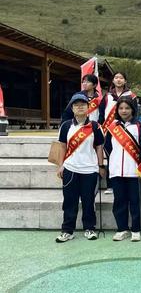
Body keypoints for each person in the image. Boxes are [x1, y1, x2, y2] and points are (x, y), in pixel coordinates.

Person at [55, 93, 105, 243]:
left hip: (89, 169)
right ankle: (67, 230)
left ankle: (90, 228)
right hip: (70, 168)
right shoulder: (65, 126)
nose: (80, 107)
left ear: (88, 107)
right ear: (72, 108)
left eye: (83, 104)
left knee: (88, 201)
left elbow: (99, 147)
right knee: (69, 201)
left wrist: (100, 165)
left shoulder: (95, 126)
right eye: (76, 105)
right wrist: (60, 165)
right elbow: (62, 146)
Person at [104, 96, 141, 242]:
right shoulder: (112, 127)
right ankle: (122, 228)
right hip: (116, 170)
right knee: (119, 201)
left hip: (133, 170)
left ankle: (136, 229)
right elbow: (107, 147)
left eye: (127, 108)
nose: (124, 111)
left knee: (134, 201)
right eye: (121, 108)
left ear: (132, 109)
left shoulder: (139, 125)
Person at [99, 71, 136, 195]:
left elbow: (135, 111)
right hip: (110, 129)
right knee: (111, 155)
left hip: (127, 128)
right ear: (113, 81)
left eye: (121, 78)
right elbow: (101, 113)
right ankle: (110, 185)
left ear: (125, 81)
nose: (119, 80)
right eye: (116, 78)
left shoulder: (131, 95)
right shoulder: (107, 96)